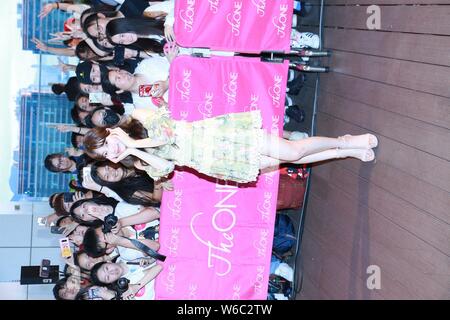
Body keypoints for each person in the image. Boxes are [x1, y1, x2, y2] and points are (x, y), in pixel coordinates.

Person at [84, 108, 378, 183]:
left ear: (109, 132)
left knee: (294, 150)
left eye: (106, 145)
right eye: (105, 156)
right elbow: (166, 167)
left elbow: (168, 136)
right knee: (292, 161)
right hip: (215, 162)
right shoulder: (134, 160)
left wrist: (133, 141)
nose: (112, 153)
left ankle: (343, 141)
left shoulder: (139, 117)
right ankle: (348, 152)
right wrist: (133, 151)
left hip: (222, 137)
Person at [90, 261, 163, 300]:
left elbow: (158, 267)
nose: (111, 272)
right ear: (110, 283)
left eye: (107, 268)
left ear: (107, 262)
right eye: (108, 277)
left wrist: (137, 286)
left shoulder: (127, 281)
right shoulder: (123, 294)